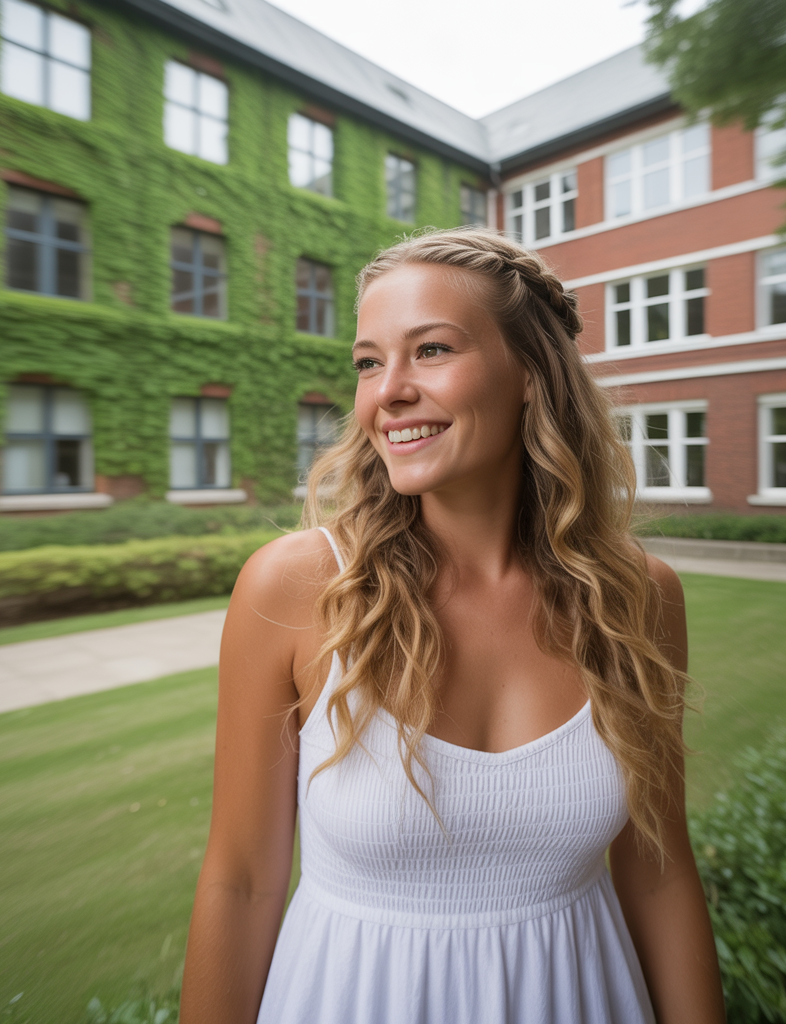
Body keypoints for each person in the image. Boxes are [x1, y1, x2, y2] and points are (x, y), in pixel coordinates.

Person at [180, 228, 726, 1024]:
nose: (387, 391)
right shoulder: (297, 588)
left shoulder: (637, 599)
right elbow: (240, 880)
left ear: (531, 375)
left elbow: (660, 870)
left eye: (430, 350)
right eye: (369, 362)